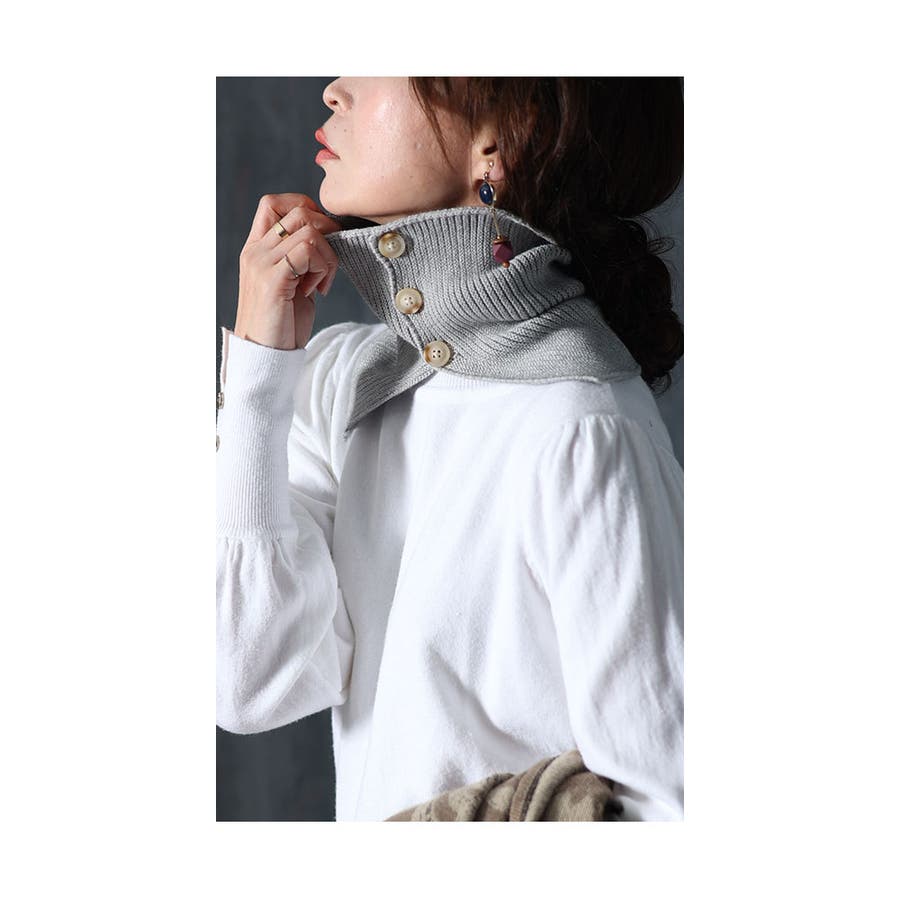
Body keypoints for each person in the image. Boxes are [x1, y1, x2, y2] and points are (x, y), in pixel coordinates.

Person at [216, 76, 684, 821]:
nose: (335, 89)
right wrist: (257, 375)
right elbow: (249, 683)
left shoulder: (582, 429)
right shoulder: (344, 384)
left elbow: (670, 804)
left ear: (497, 140)